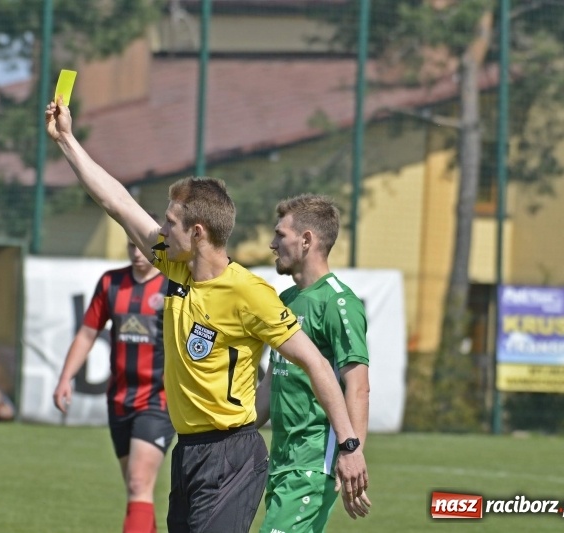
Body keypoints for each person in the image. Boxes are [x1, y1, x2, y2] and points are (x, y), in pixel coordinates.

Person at [46, 98, 369, 533]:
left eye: (169, 223)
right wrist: (67, 140)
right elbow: (118, 203)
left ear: (196, 233)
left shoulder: (249, 294)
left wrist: (349, 445)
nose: (161, 231)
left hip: (231, 457)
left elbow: (317, 363)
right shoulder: (176, 265)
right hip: (189, 453)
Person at [255, 195, 372, 532]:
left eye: (280, 235)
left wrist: (352, 454)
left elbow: (358, 387)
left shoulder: (338, 302)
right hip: (281, 459)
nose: (272, 244)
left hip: (314, 460)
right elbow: (272, 381)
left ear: (306, 240)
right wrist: (237, 433)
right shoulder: (286, 300)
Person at [53, 233, 174, 533]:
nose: (137, 253)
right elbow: (87, 333)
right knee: (136, 488)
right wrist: (65, 377)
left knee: (138, 482)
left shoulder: (172, 285)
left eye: (143, 247)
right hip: (119, 399)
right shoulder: (111, 282)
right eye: (132, 246)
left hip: (158, 400)